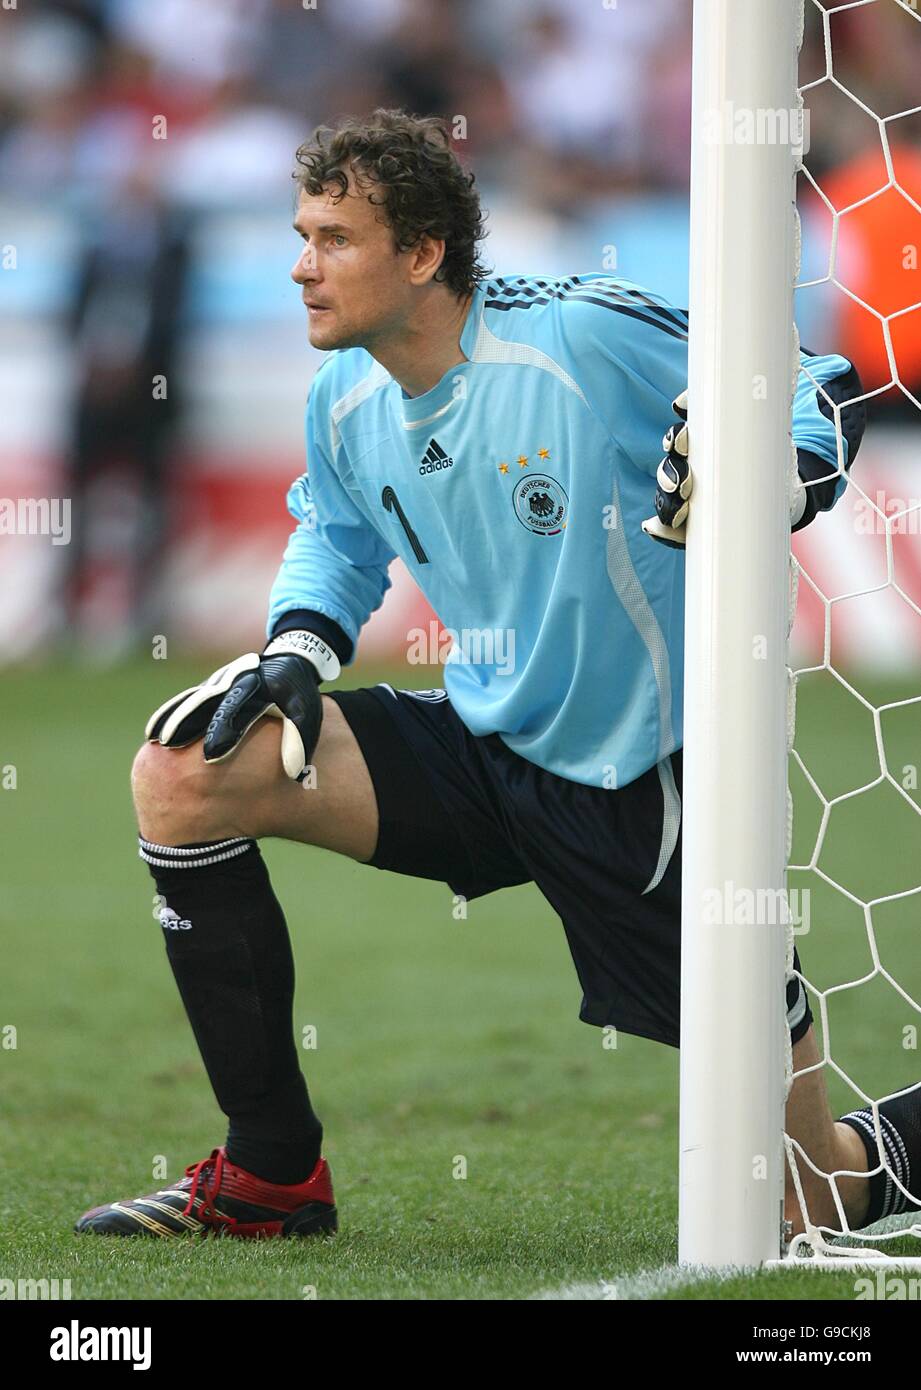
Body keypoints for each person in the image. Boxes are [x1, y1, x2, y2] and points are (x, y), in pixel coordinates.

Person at [76, 109, 919, 1243]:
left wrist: (777, 470)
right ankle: (273, 1175)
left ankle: (866, 1154)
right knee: (185, 773)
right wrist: (297, 648)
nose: (299, 263)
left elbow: (808, 372)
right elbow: (332, 529)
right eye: (300, 232)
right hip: (484, 745)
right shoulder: (345, 391)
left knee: (800, 1207)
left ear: (422, 255)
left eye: (333, 238)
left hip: (643, 779)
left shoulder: (576, 334)